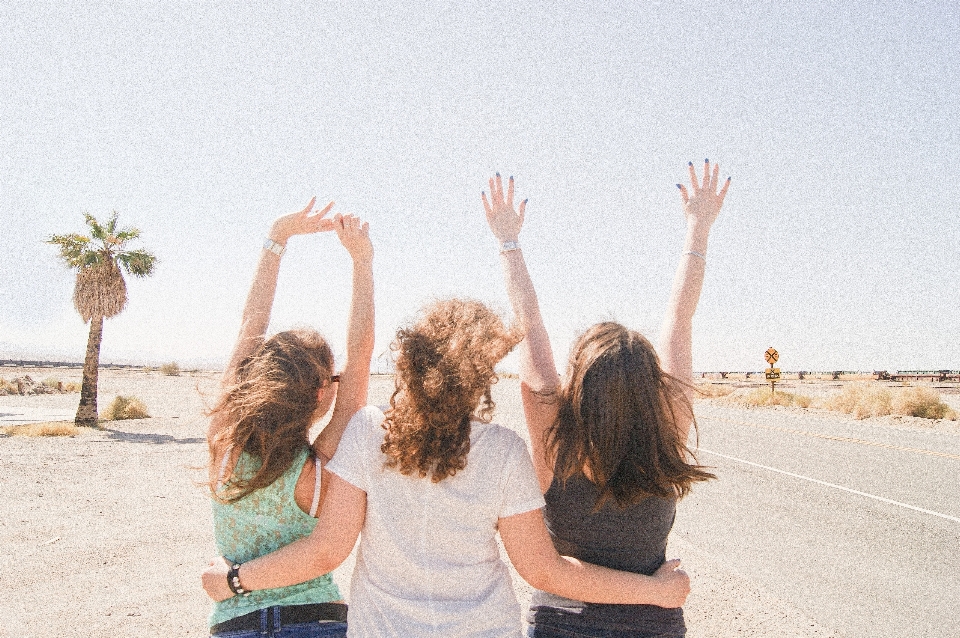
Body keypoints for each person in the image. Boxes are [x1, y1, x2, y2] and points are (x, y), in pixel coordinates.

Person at [202, 297, 691, 637]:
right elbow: (542, 568)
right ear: (480, 376)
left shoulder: (370, 432)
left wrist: (236, 580)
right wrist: (654, 590)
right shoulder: (503, 451)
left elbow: (330, 547)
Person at [483, 163, 727, 638]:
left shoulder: (555, 438)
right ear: (653, 384)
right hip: (652, 623)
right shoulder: (669, 427)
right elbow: (680, 317)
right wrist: (698, 230)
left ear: (578, 380)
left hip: (560, 622)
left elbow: (529, 326)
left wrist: (509, 242)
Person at [205, 197, 374, 638]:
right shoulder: (318, 466)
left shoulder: (224, 439)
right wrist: (362, 262)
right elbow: (361, 355)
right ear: (322, 392)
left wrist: (277, 237)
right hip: (314, 618)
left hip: (235, 622)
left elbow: (250, 325)